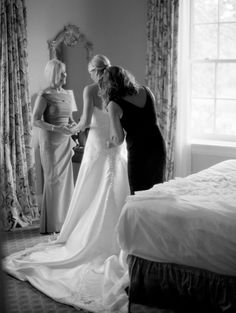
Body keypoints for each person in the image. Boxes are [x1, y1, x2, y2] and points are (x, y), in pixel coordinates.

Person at [3, 55, 130, 313]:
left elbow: (83, 121)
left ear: (95, 71)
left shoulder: (90, 89)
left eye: (90, 71)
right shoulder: (120, 87)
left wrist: (75, 129)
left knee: (92, 187)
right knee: (113, 186)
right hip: (116, 145)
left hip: (97, 143)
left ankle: (80, 233)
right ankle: (122, 238)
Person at [100, 65, 166, 194]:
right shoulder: (146, 91)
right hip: (157, 146)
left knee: (138, 192)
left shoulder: (114, 105)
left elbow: (118, 139)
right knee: (157, 191)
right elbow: (151, 120)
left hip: (139, 151)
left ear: (108, 85)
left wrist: (109, 142)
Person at [33, 59, 76, 234]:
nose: (66, 75)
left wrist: (74, 127)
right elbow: (35, 120)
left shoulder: (67, 94)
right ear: (54, 74)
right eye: (63, 73)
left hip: (65, 142)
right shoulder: (44, 95)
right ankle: (51, 224)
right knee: (53, 181)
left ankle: (64, 220)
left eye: (65, 72)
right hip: (50, 143)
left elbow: (71, 118)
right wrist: (56, 128)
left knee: (65, 182)